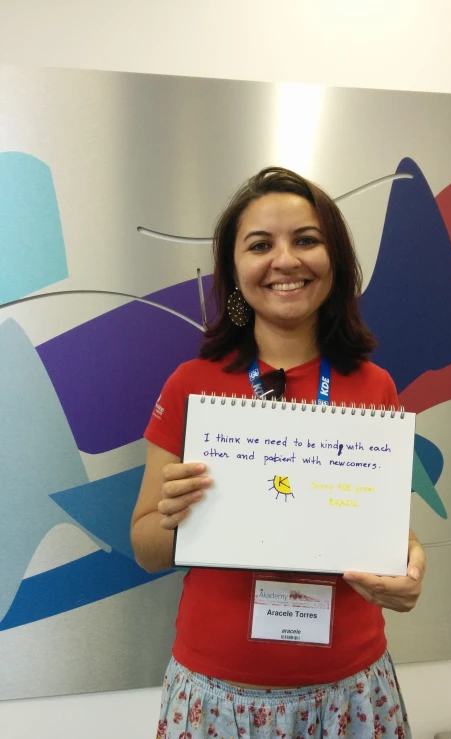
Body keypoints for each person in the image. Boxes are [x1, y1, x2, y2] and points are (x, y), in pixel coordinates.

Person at [131, 166, 426, 739]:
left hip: (350, 689)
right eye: (260, 244)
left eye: (307, 240)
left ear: (334, 259)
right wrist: (173, 517)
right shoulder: (190, 384)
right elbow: (146, 549)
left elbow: (387, 529)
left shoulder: (376, 386)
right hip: (218, 693)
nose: (284, 260)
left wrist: (410, 566)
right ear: (234, 268)